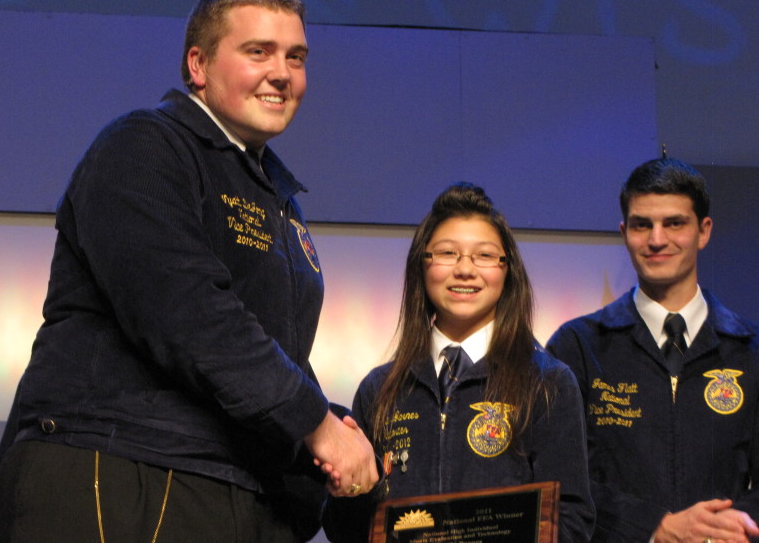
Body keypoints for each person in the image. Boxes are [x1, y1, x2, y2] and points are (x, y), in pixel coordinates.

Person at [0, 0, 377, 542]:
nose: (282, 73)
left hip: (224, 482)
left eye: (296, 57)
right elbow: (187, 311)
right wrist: (316, 425)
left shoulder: (279, 199)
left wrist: (335, 431)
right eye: (258, 52)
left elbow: (265, 352)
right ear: (198, 64)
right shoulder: (144, 145)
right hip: (122, 463)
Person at [323, 182, 595, 542]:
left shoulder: (548, 383)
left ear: (507, 270)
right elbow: (346, 531)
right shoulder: (380, 389)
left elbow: (572, 519)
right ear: (422, 265)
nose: (465, 269)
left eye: (484, 255)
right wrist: (353, 491)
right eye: (447, 253)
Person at [547, 157, 759, 543]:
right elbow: (558, 480)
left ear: (704, 231)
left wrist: (722, 526)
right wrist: (653, 526)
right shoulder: (577, 346)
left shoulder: (751, 350)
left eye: (674, 223)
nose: (657, 239)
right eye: (642, 225)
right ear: (624, 232)